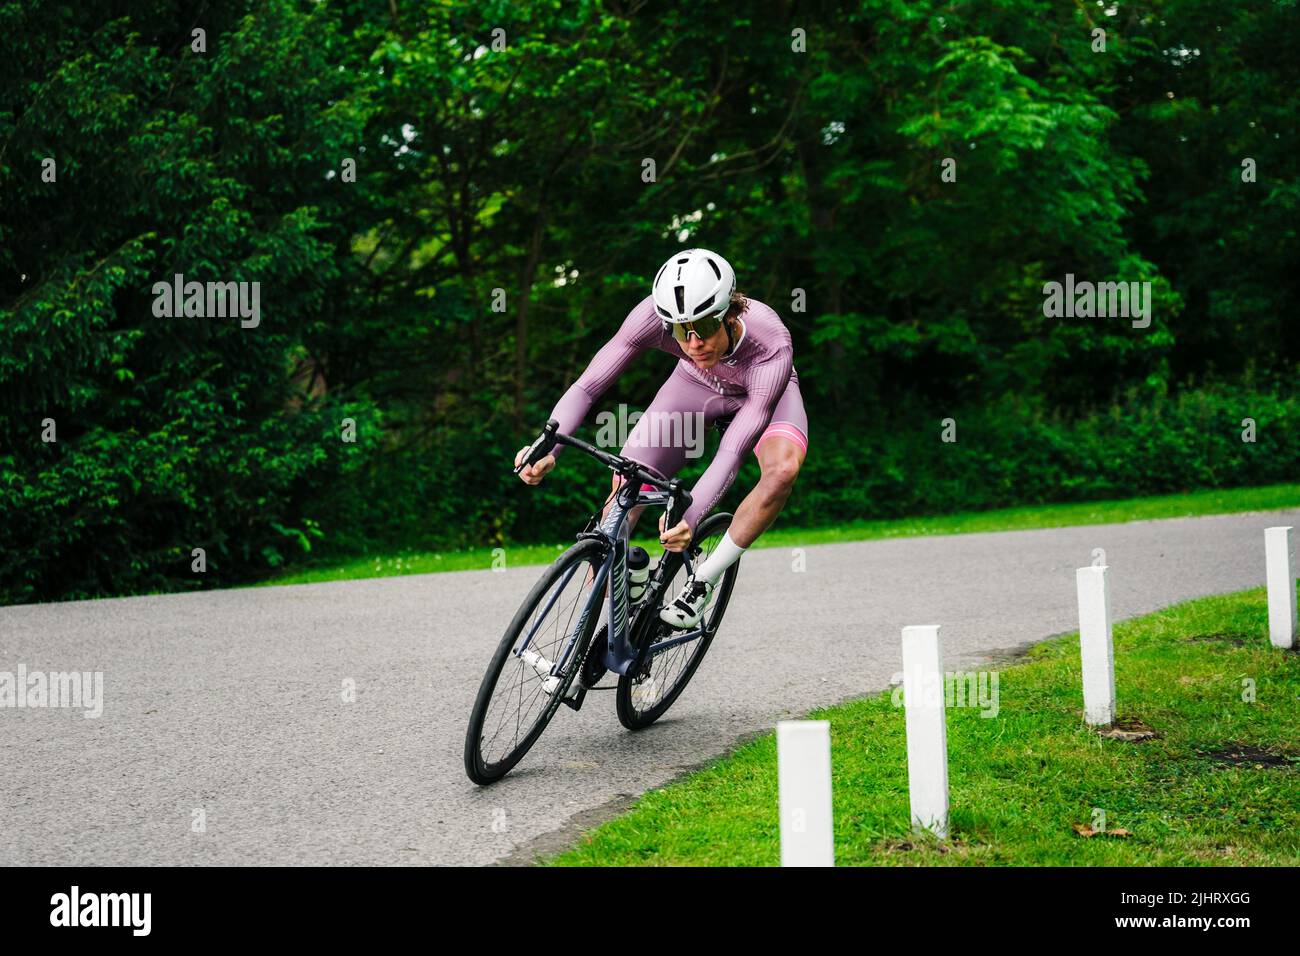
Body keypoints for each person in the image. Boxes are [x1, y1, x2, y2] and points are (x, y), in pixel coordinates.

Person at [514, 248, 808, 629]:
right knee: (627, 484)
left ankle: (703, 581)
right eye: (681, 331)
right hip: (696, 383)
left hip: (764, 391)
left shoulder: (772, 345)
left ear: (730, 313)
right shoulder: (652, 317)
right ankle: (611, 616)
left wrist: (690, 517)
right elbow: (588, 386)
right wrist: (548, 445)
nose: (694, 342)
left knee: (783, 470)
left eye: (704, 327)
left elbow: (730, 452)